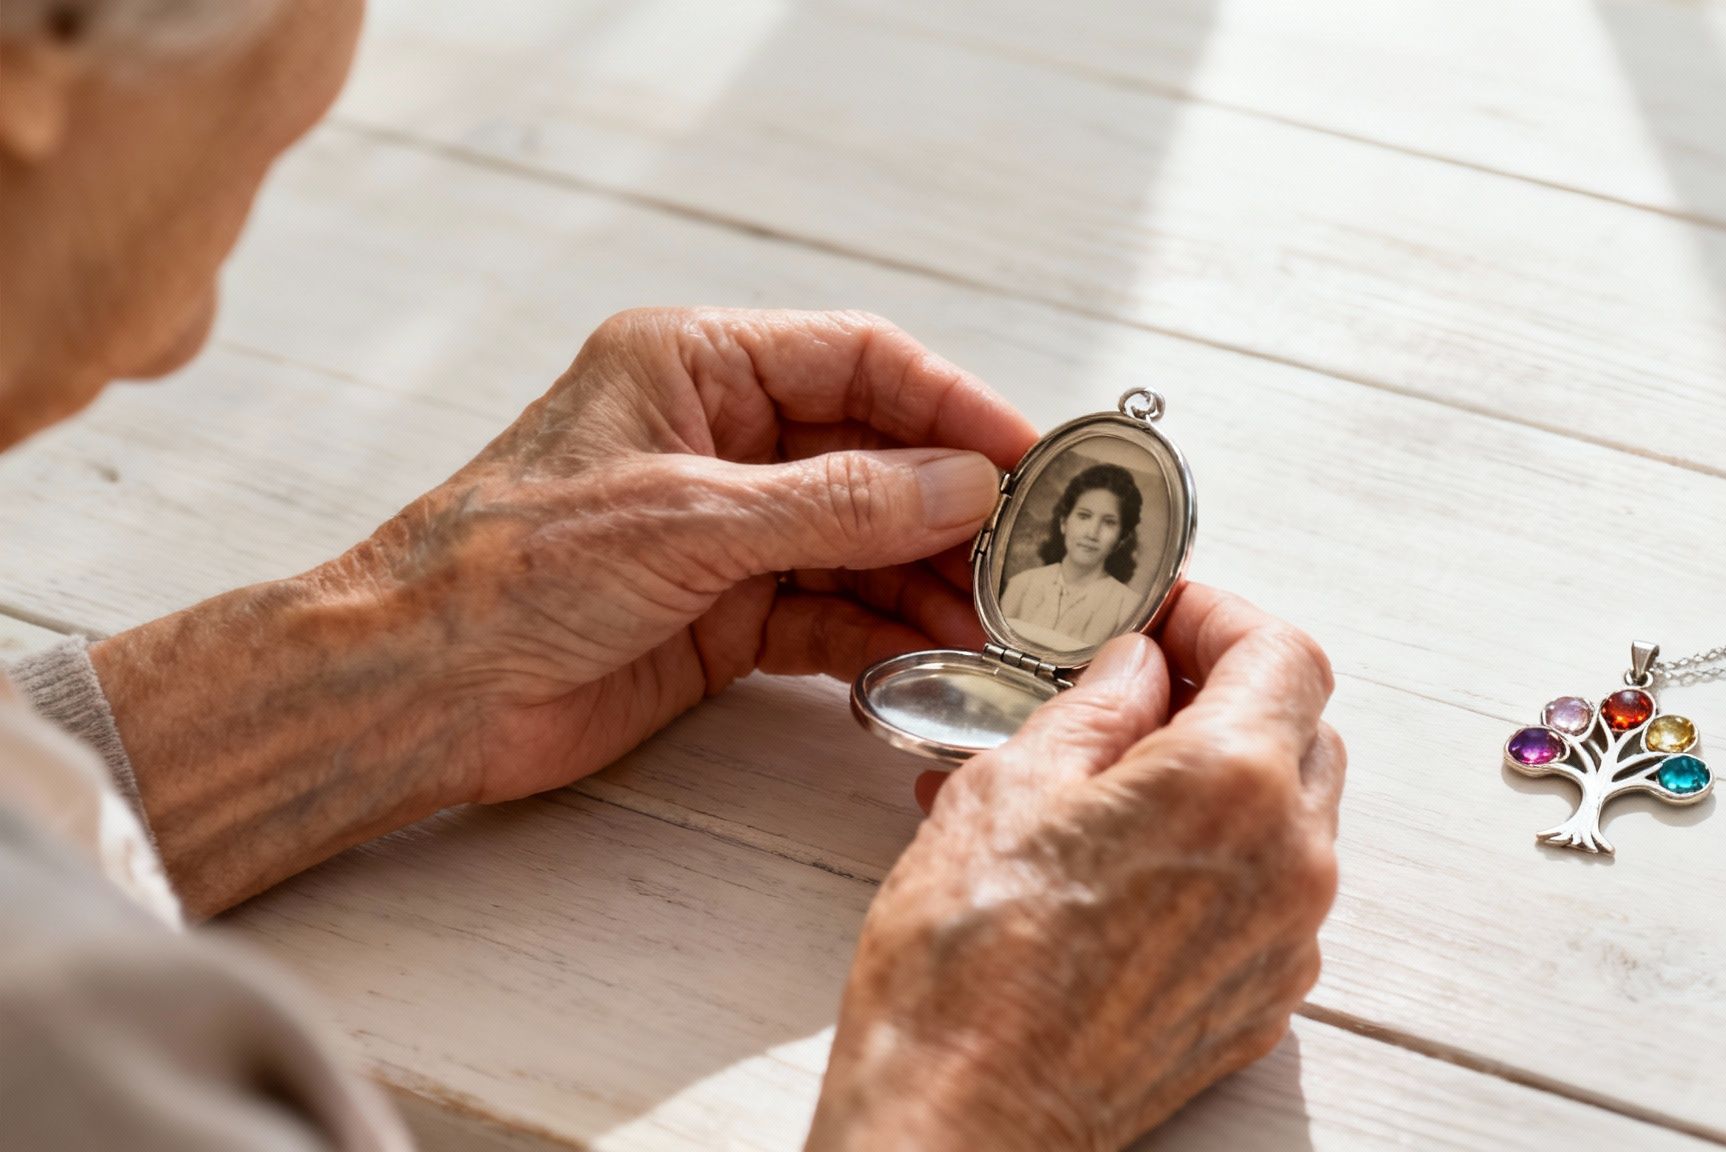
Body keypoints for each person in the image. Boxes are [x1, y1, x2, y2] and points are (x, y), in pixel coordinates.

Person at [0, 2, 1347, 1149]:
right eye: (280, 133)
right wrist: (983, 1088)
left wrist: (407, 651)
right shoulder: (90, 1055)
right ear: (36, 75)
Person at [1000, 462, 1148, 650]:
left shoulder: (1127, 607)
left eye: (1109, 522)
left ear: (1122, 538)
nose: (1092, 533)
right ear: (1064, 522)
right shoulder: (1022, 585)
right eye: (1084, 516)